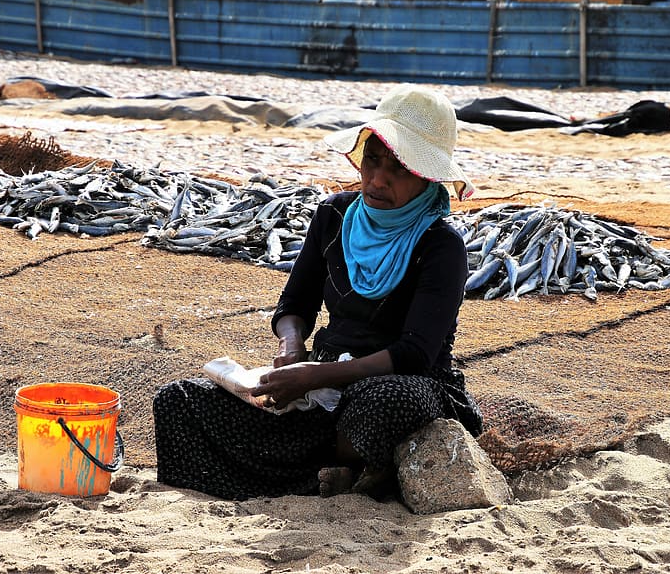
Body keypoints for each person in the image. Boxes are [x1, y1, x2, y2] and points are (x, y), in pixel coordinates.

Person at [152, 83, 483, 501]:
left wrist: (315, 376)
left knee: (391, 403)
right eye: (372, 161)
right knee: (178, 400)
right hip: (323, 382)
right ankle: (323, 471)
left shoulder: (440, 245)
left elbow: (414, 353)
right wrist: (292, 348)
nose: (378, 180)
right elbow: (295, 304)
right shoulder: (334, 214)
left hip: (397, 381)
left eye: (399, 169)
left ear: (427, 176)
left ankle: (333, 468)